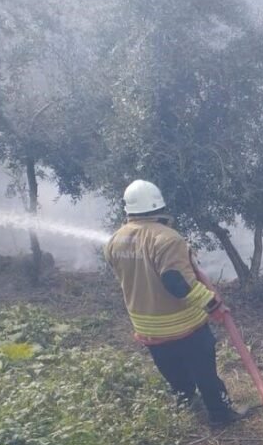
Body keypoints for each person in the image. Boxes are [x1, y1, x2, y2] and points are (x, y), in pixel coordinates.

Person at [104, 179, 244, 426]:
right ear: (159, 207)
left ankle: (186, 408)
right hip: (183, 326)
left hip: (147, 328)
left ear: (129, 210)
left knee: (174, 374)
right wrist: (213, 305)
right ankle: (221, 416)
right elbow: (177, 283)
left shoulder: (115, 240)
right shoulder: (168, 239)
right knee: (205, 373)